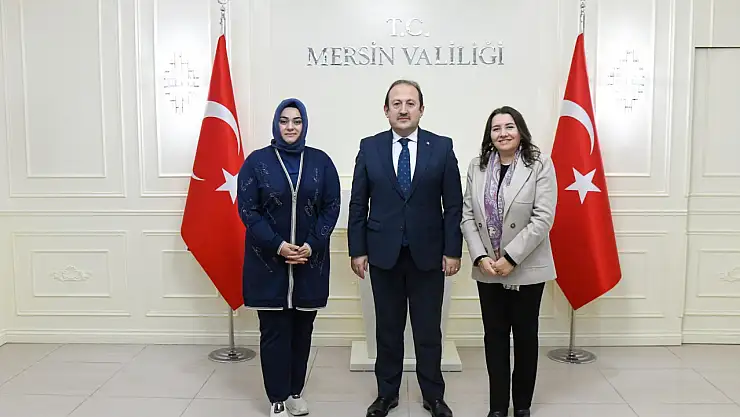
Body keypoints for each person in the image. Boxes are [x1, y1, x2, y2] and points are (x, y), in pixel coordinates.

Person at [348, 79, 463, 417]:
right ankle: (387, 394)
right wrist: (357, 249)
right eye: (396, 103)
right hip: (383, 254)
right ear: (386, 110)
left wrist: (453, 250)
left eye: (410, 103)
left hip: (428, 255)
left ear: (421, 109)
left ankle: (434, 396)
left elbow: (453, 205)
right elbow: (358, 204)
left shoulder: (441, 147)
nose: (403, 109)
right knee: (387, 330)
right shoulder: (369, 147)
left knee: (428, 331)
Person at [237, 98, 341, 417]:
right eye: (284, 121)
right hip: (268, 264)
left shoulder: (321, 162)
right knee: (274, 333)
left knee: (302, 332)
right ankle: (277, 398)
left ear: (304, 124)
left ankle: (295, 392)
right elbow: (248, 210)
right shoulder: (257, 163)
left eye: (296, 121)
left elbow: (331, 207)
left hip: (310, 264)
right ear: (276, 124)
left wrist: (311, 244)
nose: (290, 127)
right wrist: (278, 245)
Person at [460, 106, 557, 417]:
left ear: (520, 131)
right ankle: (498, 407)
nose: (502, 133)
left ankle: (522, 405)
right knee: (495, 338)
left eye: (509, 127)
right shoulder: (477, 166)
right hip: (488, 268)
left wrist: (511, 258)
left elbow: (543, 218)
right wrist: (481, 256)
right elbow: (467, 216)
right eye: (496, 128)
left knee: (525, 338)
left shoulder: (539, 164)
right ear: (489, 135)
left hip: (527, 267)